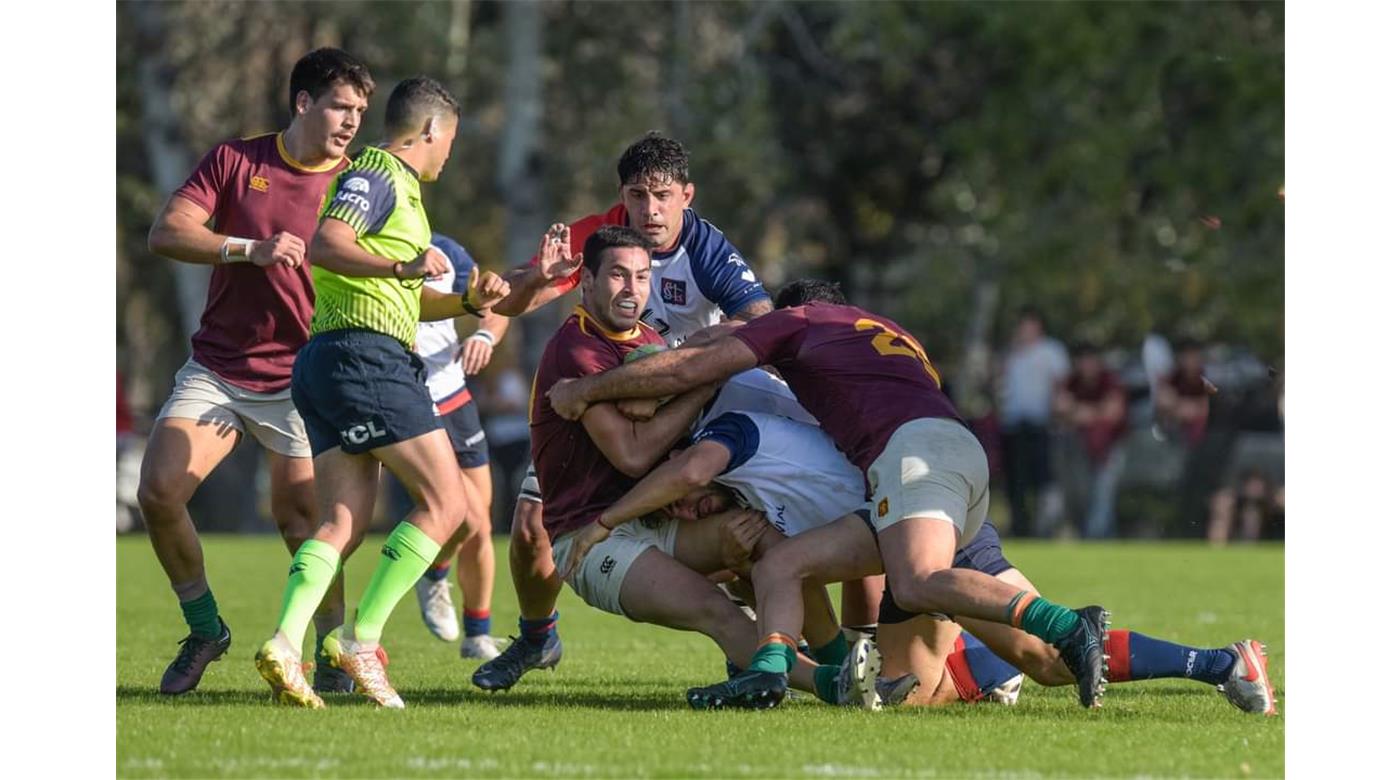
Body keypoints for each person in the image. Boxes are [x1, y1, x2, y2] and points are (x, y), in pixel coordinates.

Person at [547, 278, 1111, 710]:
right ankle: (777, 673)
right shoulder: (881, 330)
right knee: (782, 563)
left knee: (924, 589)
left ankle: (1064, 626)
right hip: (944, 451)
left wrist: (587, 391)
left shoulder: (793, 327)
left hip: (913, 457)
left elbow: (693, 370)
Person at [473, 133, 774, 692]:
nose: (650, 210)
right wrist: (540, 278)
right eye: (638, 195)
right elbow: (508, 303)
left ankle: (773, 644)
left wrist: (679, 371)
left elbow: (762, 321)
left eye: (662, 195)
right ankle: (538, 638)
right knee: (531, 523)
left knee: (741, 527)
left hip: (691, 411)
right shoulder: (602, 235)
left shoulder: (706, 249)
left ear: (687, 196)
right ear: (622, 195)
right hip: (605, 407)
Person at [252, 76, 510, 709]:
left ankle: (287, 643)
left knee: (341, 520)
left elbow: (412, 298)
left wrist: (472, 301)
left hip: (327, 359)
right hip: (367, 357)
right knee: (450, 504)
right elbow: (328, 244)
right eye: (449, 140)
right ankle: (361, 640)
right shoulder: (382, 175)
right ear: (429, 132)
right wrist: (400, 265)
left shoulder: (403, 198)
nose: (448, 154)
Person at [140, 48, 375, 696]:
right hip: (219, 367)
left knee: (303, 523)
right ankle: (205, 628)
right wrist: (250, 250)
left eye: (361, 110)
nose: (352, 121)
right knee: (158, 493)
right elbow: (168, 231)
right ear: (303, 103)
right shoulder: (237, 160)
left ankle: (331, 649)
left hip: (303, 376)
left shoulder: (359, 183)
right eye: (340, 106)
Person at [396, 233, 510, 660]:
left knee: (481, 523)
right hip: (409, 402)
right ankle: (433, 573)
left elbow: (497, 306)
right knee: (468, 516)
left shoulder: (447, 249)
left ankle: (478, 633)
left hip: (455, 397)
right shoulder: (365, 248)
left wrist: (485, 336)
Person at [998, 307, 1070, 537]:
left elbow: (1060, 384)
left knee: (1044, 479)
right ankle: (1020, 525)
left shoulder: (1051, 351)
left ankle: (1047, 527)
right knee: (1015, 480)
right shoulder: (1011, 353)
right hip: (1013, 424)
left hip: (1041, 425)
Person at [1053, 342, 1128, 538]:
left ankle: (1096, 538)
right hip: (1081, 450)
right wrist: (1095, 411)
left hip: (1110, 448)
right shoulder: (1072, 381)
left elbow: (1113, 413)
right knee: (1082, 497)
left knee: (1103, 494)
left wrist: (1078, 411)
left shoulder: (1109, 380)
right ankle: (1099, 537)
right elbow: (1059, 409)